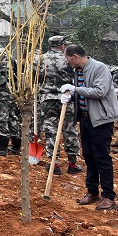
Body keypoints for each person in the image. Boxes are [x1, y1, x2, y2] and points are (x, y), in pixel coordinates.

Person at [61, 44, 118, 211]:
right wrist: (71, 96)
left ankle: (108, 196)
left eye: (68, 59)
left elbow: (99, 92)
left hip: (101, 119)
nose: (68, 62)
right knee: (88, 155)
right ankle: (92, 191)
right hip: (85, 119)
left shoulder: (100, 68)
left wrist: (75, 89)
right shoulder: (77, 71)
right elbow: (83, 92)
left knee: (101, 156)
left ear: (75, 56)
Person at [36, 35, 81, 175]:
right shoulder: (68, 59)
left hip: (47, 99)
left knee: (50, 130)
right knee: (69, 129)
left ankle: (54, 164)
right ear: (62, 46)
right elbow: (76, 75)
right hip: (66, 97)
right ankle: (72, 163)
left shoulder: (40, 59)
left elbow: (34, 78)